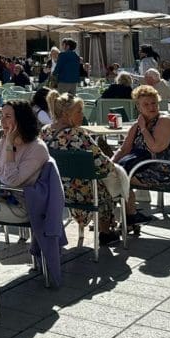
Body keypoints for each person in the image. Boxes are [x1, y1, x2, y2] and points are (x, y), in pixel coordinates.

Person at [43, 93, 127, 246]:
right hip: (84, 192)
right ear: (66, 114)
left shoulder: (45, 132)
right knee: (107, 188)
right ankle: (105, 231)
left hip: (56, 189)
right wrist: (115, 167)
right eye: (79, 111)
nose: (83, 115)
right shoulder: (78, 134)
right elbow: (102, 163)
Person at [113, 85, 170, 198]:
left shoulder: (164, 121)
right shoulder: (138, 124)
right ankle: (124, 207)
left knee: (119, 180)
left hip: (165, 172)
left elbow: (155, 148)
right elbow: (124, 149)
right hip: (142, 168)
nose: (151, 107)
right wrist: (110, 165)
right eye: (146, 104)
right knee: (112, 176)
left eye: (154, 103)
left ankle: (123, 207)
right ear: (138, 107)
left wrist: (144, 129)